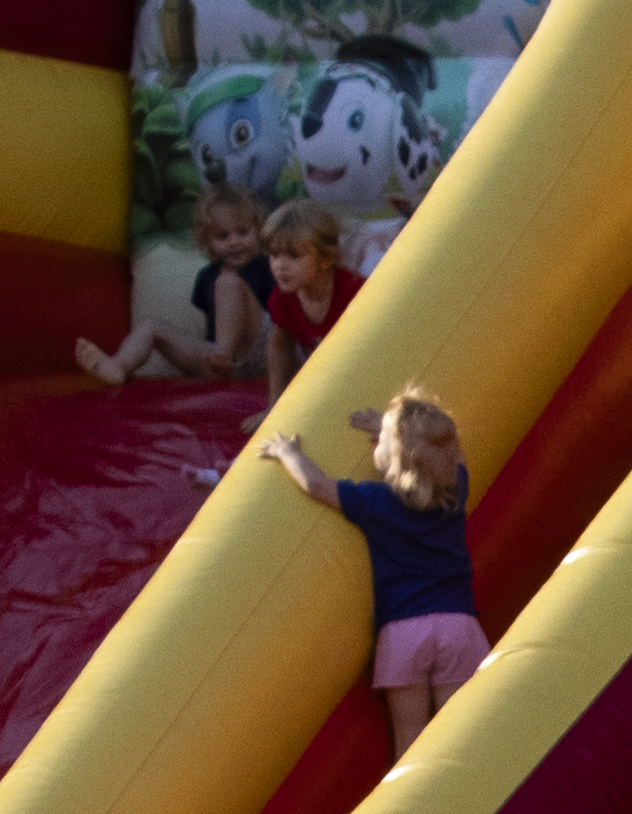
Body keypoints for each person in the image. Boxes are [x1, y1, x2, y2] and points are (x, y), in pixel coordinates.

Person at [257, 381, 483, 762]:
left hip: (404, 632)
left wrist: (286, 452)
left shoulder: (374, 501)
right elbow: (449, 453)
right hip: (458, 627)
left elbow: (316, 484)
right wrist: (391, 430)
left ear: (391, 457)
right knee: (457, 735)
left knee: (410, 737)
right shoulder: (455, 488)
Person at [76, 186, 277, 387]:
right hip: (222, 363)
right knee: (151, 326)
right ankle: (118, 366)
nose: (234, 242)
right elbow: (213, 326)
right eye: (222, 236)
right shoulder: (207, 277)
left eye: (242, 232)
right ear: (206, 241)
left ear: (258, 231)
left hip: (266, 355)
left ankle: (222, 357)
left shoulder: (267, 267)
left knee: (228, 282)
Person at [254, 202, 357, 394]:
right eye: (274, 255)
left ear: (326, 259)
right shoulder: (283, 299)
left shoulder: (354, 294)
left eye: (294, 256)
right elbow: (280, 348)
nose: (280, 266)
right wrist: (274, 405)